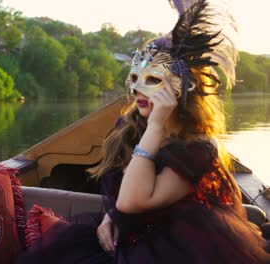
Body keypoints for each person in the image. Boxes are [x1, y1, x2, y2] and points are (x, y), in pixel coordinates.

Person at [16, 0, 270, 263]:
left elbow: (132, 201)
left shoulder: (196, 148)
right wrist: (111, 216)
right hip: (132, 240)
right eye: (135, 79)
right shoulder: (128, 129)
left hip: (181, 250)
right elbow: (122, 200)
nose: (139, 91)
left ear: (183, 87)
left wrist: (157, 126)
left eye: (153, 80)